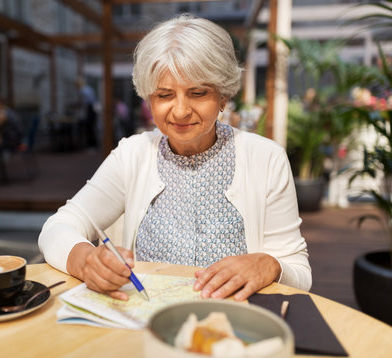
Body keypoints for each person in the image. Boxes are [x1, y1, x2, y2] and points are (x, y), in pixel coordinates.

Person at [39, 14, 311, 301]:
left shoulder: (266, 159)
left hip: (233, 329)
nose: (180, 111)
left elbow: (299, 272)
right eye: (165, 95)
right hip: (146, 323)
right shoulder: (133, 155)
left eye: (197, 93)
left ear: (224, 96)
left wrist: (270, 265)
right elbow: (56, 229)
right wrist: (86, 260)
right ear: (149, 99)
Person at [76, 77, 98, 148]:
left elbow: (84, 102)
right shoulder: (88, 88)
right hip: (92, 108)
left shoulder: (82, 90)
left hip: (90, 108)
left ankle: (91, 144)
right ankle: (93, 143)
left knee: (89, 127)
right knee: (92, 126)